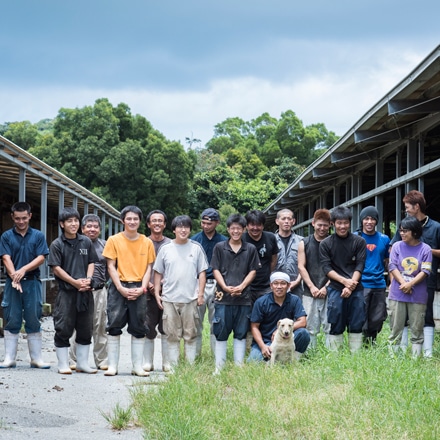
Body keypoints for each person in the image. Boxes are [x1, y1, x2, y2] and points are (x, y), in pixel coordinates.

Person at [102, 205, 155, 377]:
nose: (132, 221)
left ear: (140, 221)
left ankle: (137, 367)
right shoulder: (113, 240)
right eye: (129, 218)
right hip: (119, 286)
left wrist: (142, 288)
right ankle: (112, 366)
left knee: (139, 325)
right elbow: (111, 266)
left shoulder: (147, 242)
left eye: (135, 219)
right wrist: (120, 288)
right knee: (114, 324)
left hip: (139, 286)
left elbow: (149, 268)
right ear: (122, 220)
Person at [48, 207, 99, 374]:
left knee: (86, 328)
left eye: (76, 220)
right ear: (62, 224)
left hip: (85, 292)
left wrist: (88, 280)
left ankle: (82, 363)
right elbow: (56, 268)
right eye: (69, 221)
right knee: (63, 327)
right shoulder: (57, 244)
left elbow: (91, 262)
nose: (74, 224)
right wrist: (74, 282)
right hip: (67, 292)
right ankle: (63, 364)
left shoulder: (85, 241)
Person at [153, 215, 208, 369]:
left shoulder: (196, 248)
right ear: (174, 230)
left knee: (191, 334)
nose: (183, 230)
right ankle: (173, 366)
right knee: (171, 334)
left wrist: (201, 294)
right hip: (169, 298)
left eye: (186, 227)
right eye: (180, 227)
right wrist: (157, 293)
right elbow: (158, 272)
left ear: (190, 229)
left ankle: (189, 367)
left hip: (190, 299)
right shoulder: (166, 249)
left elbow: (202, 273)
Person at [0, 201, 50, 369]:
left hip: (32, 282)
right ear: (12, 217)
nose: (21, 222)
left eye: (24, 218)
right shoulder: (6, 236)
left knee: (33, 317)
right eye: (17, 219)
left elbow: (41, 257)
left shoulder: (38, 236)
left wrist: (22, 270)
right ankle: (9, 358)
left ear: (30, 216)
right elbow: (5, 258)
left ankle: (36, 358)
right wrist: (15, 276)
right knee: (11, 317)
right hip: (12, 283)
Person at [390, 190, 440, 357]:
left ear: (416, 207)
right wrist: (397, 281)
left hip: (426, 280)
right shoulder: (404, 227)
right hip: (401, 281)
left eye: (407, 207)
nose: (405, 210)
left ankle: (427, 353)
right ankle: (402, 351)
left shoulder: (435, 227)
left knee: (425, 316)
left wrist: (424, 250)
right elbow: (393, 253)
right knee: (400, 318)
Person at [210, 213, 261, 373]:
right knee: (221, 331)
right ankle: (219, 367)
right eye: (233, 229)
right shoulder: (220, 247)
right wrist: (225, 286)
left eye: (239, 229)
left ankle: (239, 366)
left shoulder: (250, 249)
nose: (236, 232)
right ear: (228, 229)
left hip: (243, 297)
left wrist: (242, 286)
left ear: (243, 230)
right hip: (222, 297)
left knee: (240, 332)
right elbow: (215, 269)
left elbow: (253, 270)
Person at [319, 205, 367, 352]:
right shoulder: (326, 243)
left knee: (357, 322)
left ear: (350, 223)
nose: (343, 226)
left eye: (346, 222)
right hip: (335, 289)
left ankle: (355, 356)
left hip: (356, 288)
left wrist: (350, 285)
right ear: (333, 223)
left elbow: (360, 265)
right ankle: (335, 357)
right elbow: (327, 268)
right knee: (336, 322)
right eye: (339, 223)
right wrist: (344, 282)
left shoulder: (359, 241)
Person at [69, 214, 108, 371]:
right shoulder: (73, 244)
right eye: (89, 226)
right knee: (75, 325)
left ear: (99, 229)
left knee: (101, 325)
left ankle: (102, 360)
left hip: (99, 290)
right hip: (78, 290)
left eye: (96, 227)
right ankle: (73, 359)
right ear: (82, 228)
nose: (92, 229)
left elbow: (112, 267)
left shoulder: (105, 245)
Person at [388, 216, 432, 357]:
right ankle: (393, 357)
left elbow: (425, 271)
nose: (402, 233)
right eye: (401, 230)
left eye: (405, 231)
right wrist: (403, 283)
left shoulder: (425, 249)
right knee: (395, 327)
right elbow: (392, 265)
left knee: (417, 327)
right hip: (397, 293)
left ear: (414, 232)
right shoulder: (396, 246)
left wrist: (410, 284)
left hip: (417, 294)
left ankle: (415, 358)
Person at [248, 271, 310, 362]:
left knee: (303, 334)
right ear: (271, 286)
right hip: (266, 341)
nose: (279, 287)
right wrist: (262, 346)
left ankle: (293, 360)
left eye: (283, 283)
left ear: (288, 285)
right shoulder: (261, 302)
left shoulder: (294, 300)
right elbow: (254, 327)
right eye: (276, 283)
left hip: (287, 338)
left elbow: (303, 321)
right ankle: (272, 358)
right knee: (253, 361)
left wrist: (278, 330)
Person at [191, 208, 227, 356]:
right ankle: (195, 354)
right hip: (198, 283)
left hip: (217, 283)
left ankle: (215, 355)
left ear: (217, 223)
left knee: (216, 320)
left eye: (209, 223)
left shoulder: (224, 241)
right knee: (196, 320)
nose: (206, 226)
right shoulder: (194, 240)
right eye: (203, 222)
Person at [297, 209, 331, 349]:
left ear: (330, 225)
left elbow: (337, 268)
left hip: (330, 289)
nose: (322, 228)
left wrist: (326, 287)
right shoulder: (304, 243)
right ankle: (310, 353)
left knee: (330, 325)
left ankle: (332, 355)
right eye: (319, 225)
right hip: (309, 291)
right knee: (310, 325)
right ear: (313, 223)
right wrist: (311, 286)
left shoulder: (333, 242)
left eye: (325, 225)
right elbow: (301, 266)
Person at [143, 210, 171, 372]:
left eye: (160, 221)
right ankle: (148, 362)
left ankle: (166, 362)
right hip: (147, 292)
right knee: (148, 326)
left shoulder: (171, 244)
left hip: (168, 291)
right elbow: (138, 266)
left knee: (167, 326)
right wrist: (149, 283)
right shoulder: (143, 242)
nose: (157, 223)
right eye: (154, 221)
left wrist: (161, 283)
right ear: (148, 224)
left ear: (165, 224)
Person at [357, 206, 390, 345]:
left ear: (376, 221)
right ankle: (361, 342)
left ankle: (372, 341)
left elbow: (388, 261)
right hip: (361, 283)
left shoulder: (384, 238)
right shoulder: (355, 237)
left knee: (378, 316)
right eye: (366, 219)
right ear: (362, 220)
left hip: (379, 283)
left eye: (372, 219)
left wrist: (389, 281)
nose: (369, 222)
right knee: (360, 314)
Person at [243, 210, 279, 306]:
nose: (255, 228)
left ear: (263, 226)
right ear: (246, 226)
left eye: (258, 225)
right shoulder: (241, 239)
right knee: (247, 316)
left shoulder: (270, 237)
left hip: (265, 285)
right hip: (246, 286)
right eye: (252, 225)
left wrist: (267, 273)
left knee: (266, 314)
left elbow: (274, 259)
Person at [274, 209, 303, 298]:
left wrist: (297, 281)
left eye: (289, 219)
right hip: (275, 286)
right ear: (277, 221)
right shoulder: (271, 240)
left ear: (293, 221)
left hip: (296, 286)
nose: (286, 221)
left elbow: (305, 264)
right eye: (283, 219)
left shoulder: (301, 241)